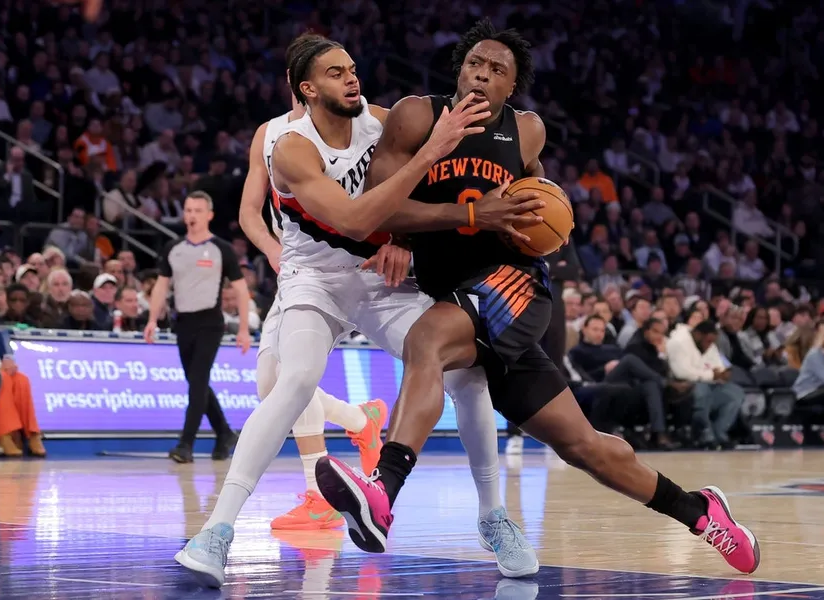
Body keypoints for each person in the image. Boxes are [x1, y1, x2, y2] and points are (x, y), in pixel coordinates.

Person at [315, 19, 760, 576]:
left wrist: (546, 220)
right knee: (585, 448)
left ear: (512, 86)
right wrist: (454, 217)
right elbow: (378, 206)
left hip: (513, 283)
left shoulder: (526, 131)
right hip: (453, 291)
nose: (482, 74)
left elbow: (541, 198)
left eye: (496, 69)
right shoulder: (416, 116)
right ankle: (701, 512)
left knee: (426, 341)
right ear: (459, 70)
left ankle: (383, 491)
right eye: (474, 63)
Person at [174, 33, 547, 588]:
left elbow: (420, 193)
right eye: (336, 73)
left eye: (352, 69)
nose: (352, 78)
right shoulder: (289, 146)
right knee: (293, 381)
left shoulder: (385, 121)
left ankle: (494, 517)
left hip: (379, 279)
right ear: (307, 89)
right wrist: (428, 157)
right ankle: (216, 532)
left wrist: (400, 237)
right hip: (314, 280)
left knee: (467, 372)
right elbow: (352, 219)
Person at [238, 92, 388, 531]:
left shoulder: (366, 122)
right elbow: (249, 212)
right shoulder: (270, 133)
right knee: (271, 384)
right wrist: (272, 249)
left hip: (358, 264)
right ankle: (361, 420)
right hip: (303, 269)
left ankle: (319, 495)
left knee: (286, 380)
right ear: (301, 82)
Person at [144, 191, 252, 464]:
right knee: (197, 382)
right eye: (188, 210)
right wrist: (152, 319)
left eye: (198, 211)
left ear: (209, 215)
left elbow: (241, 290)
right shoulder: (173, 248)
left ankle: (186, 444)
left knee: (198, 382)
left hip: (210, 323)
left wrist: (243, 329)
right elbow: (161, 286)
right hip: (183, 323)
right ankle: (224, 433)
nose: (192, 215)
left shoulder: (221, 249)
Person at [667, 320, 745, 449]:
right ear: (698, 335)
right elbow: (681, 372)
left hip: (708, 384)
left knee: (736, 393)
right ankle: (705, 435)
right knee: (702, 391)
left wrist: (722, 373)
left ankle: (720, 433)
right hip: (682, 388)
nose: (710, 345)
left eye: (712, 342)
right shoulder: (678, 342)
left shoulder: (710, 345)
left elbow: (718, 366)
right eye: (708, 341)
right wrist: (711, 375)